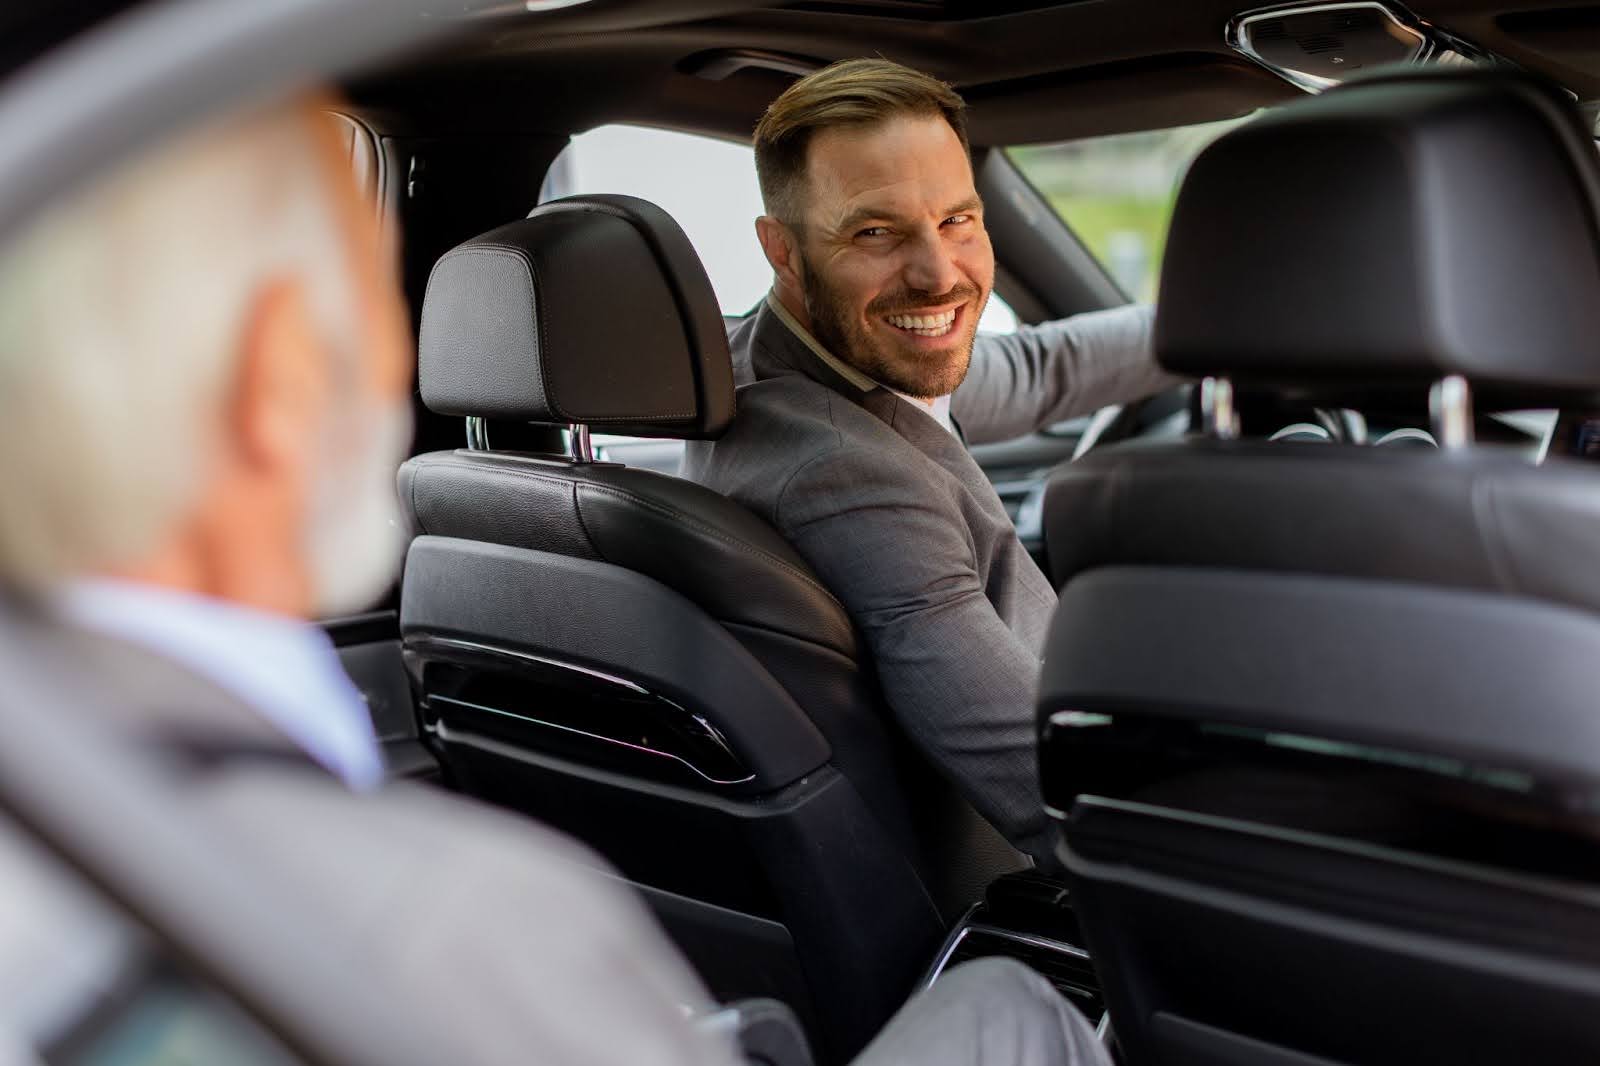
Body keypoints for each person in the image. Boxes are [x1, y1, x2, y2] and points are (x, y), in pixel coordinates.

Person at [0, 95, 1110, 1065]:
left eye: (956, 220)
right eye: (371, 317)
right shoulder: (448, 919)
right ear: (282, 372)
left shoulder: (464, 523)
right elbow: (1033, 786)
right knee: (1017, 1005)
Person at [683, 59, 1175, 865]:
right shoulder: (844, 476)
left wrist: (1228, 315)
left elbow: (1042, 370)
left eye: (959, 220)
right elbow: (1056, 789)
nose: (939, 274)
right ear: (782, 248)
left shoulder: (787, 355)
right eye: (875, 232)